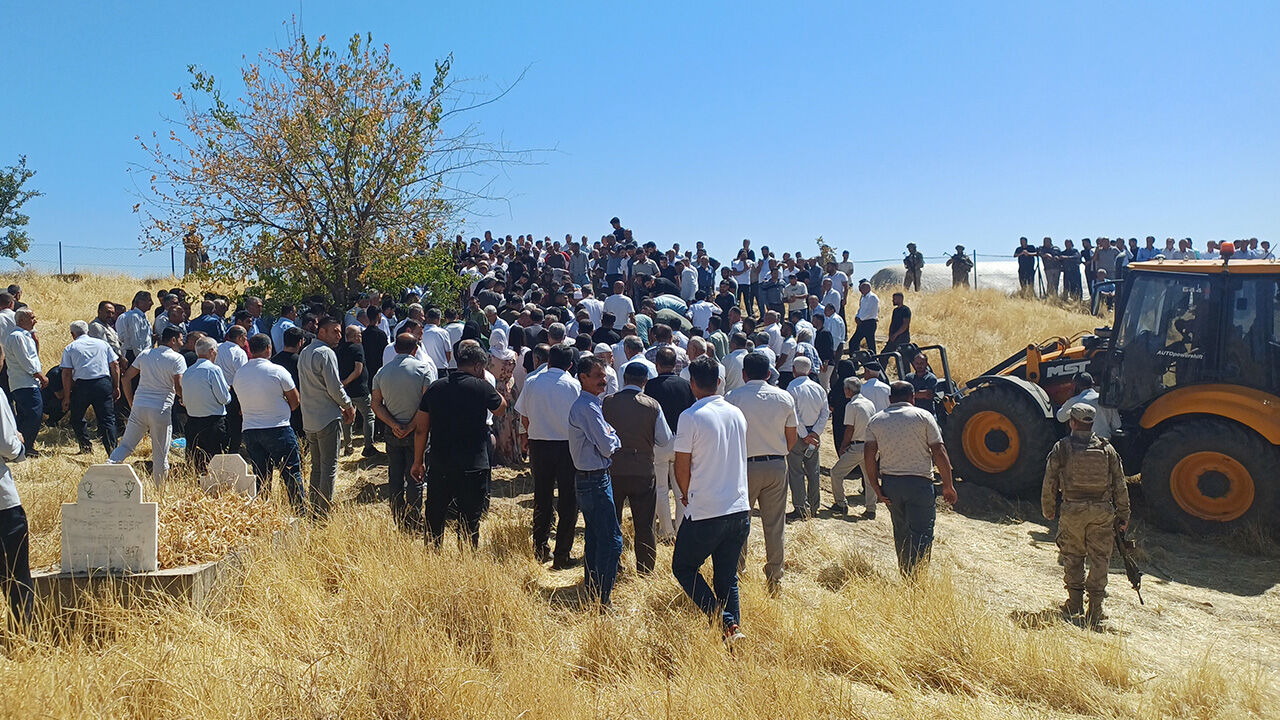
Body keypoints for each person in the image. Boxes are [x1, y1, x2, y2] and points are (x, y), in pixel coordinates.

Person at [672, 356, 751, 647]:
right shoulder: (736, 414)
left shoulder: (690, 416)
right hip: (738, 507)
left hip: (706, 509)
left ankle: (724, 621)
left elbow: (682, 465)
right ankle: (733, 633)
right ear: (719, 381)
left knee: (683, 567)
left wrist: (686, 492)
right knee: (727, 577)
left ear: (692, 384)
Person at [1042, 402, 1130, 627]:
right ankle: (1096, 609)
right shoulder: (1106, 449)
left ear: (1072, 422)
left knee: (1073, 556)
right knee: (1100, 558)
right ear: (1090, 424)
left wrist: (1049, 509)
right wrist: (1123, 514)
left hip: (1073, 510)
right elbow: (1120, 483)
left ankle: (1074, 604)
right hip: (1101, 511)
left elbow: (1050, 481)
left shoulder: (1062, 448)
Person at [412, 343, 505, 547]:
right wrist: (484, 381)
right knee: (470, 518)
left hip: (441, 462)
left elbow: (421, 429)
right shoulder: (481, 387)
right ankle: (467, 557)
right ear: (479, 366)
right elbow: (500, 409)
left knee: (435, 515)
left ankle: (433, 554)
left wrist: (418, 461)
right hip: (473, 463)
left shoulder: (436, 387)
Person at [864, 381, 957, 574]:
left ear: (890, 399)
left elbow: (869, 456)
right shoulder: (924, 417)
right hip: (920, 483)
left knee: (902, 532)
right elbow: (939, 451)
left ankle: (906, 575)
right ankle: (919, 578)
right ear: (912, 397)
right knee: (922, 533)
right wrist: (948, 485)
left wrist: (876, 487)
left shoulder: (876, 420)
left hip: (891, 484)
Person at [725, 352, 797, 594]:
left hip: (744, 466)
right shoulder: (784, 397)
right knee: (775, 524)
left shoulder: (733, 397)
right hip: (776, 464)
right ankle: (775, 578)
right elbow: (791, 436)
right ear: (769, 373)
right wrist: (779, 452)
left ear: (744, 374)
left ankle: (736, 571)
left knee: (739, 521)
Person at [514, 343, 582, 567]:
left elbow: (523, 415)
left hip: (539, 445)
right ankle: (562, 552)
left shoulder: (533, 382)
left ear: (548, 361)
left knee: (542, 498)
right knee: (568, 500)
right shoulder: (573, 385)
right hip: (567, 447)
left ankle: (540, 547)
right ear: (570, 365)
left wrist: (528, 434)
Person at [602, 362, 672, 575]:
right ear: (645, 381)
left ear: (624, 379)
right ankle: (645, 568)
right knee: (645, 523)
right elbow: (665, 439)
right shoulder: (652, 405)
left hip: (613, 469)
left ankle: (612, 565)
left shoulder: (608, 402)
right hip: (642, 469)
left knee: (612, 522)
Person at [565, 354, 623, 606]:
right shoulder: (588, 407)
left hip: (592, 479)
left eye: (604, 375)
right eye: (598, 376)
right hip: (595, 480)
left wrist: (611, 436)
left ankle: (593, 590)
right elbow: (608, 445)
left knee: (596, 537)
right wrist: (613, 437)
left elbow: (607, 439)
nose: (603, 380)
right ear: (583, 377)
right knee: (612, 541)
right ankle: (603, 598)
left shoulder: (590, 405)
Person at [109, 327, 187, 488]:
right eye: (180, 339)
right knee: (160, 454)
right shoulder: (177, 358)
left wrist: (131, 401)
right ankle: (160, 490)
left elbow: (126, 378)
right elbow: (178, 386)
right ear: (173, 340)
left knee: (125, 445)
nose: (182, 342)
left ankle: (106, 470)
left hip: (139, 405)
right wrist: (184, 399)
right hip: (161, 408)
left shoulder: (145, 354)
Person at [372, 334, 436, 530]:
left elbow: (376, 404)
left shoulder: (382, 373)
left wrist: (393, 424)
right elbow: (428, 404)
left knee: (395, 476)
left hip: (393, 432)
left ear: (396, 349)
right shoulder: (424, 370)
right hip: (418, 431)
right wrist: (410, 425)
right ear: (415, 350)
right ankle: (414, 521)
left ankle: (399, 520)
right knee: (416, 474)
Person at [297, 316, 356, 519]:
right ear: (321, 332)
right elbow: (334, 387)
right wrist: (348, 405)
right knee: (329, 467)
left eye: (340, 331)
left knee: (317, 467)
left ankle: (314, 507)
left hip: (310, 418)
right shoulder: (325, 353)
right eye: (335, 331)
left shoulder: (304, 352)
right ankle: (323, 513)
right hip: (327, 417)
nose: (339, 335)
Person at [237, 333, 304, 507]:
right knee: (291, 472)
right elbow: (295, 401)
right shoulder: (277, 370)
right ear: (268, 349)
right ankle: (299, 510)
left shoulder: (240, 373)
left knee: (261, 475)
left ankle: (263, 510)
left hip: (250, 429)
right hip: (278, 427)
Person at [645, 347, 696, 542]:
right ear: (675, 364)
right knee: (681, 487)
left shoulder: (650, 386)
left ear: (657, 365)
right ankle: (682, 526)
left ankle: (666, 530)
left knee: (660, 488)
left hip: (659, 441)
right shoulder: (685, 385)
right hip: (681, 439)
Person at [61, 319, 121, 455]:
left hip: (82, 386)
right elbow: (115, 365)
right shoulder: (102, 344)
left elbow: (66, 373)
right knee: (107, 419)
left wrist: (66, 396)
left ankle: (85, 446)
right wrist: (116, 386)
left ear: (72, 334)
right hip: (102, 384)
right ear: (87, 331)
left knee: (76, 417)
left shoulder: (70, 348)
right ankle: (113, 452)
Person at [0, 385, 32, 628]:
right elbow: (7, 445)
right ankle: (22, 634)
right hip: (3, 504)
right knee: (15, 576)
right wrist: (19, 444)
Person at [784, 357, 827, 521]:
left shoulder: (792, 388)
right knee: (813, 471)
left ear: (794, 370)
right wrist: (815, 433)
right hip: (814, 436)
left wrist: (804, 435)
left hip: (797, 435)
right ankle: (814, 506)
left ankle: (801, 508)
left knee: (796, 473)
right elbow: (825, 413)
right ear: (809, 370)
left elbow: (793, 414)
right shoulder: (819, 388)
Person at [828, 376, 877, 517]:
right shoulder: (869, 403)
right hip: (870, 446)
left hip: (857, 447)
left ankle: (841, 503)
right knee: (869, 478)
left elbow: (850, 429)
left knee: (836, 473)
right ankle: (871, 509)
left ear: (848, 390)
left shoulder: (851, 405)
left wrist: (843, 446)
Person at [181, 336, 231, 473]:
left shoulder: (188, 371)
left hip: (192, 422)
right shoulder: (213, 370)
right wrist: (227, 390)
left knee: (197, 464)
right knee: (215, 465)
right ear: (212, 351)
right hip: (213, 423)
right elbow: (224, 399)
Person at [4, 310, 48, 457]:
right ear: (22, 320)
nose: (35, 320)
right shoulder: (17, 337)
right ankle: (25, 447)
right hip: (24, 383)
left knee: (25, 415)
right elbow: (25, 361)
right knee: (33, 414)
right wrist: (40, 376)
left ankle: (20, 447)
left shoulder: (25, 336)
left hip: (28, 383)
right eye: (32, 317)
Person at [337, 325, 375, 457]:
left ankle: (348, 447)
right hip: (359, 389)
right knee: (369, 416)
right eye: (359, 334)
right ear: (355, 336)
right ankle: (368, 446)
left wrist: (343, 384)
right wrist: (347, 381)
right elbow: (358, 369)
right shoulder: (358, 348)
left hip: (345, 391)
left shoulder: (339, 349)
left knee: (348, 418)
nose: (361, 337)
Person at [216, 325, 249, 454]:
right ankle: (233, 451)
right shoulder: (239, 353)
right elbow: (243, 376)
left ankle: (222, 448)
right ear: (240, 337)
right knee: (235, 425)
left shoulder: (217, 347)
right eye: (245, 337)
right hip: (234, 391)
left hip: (217, 388)